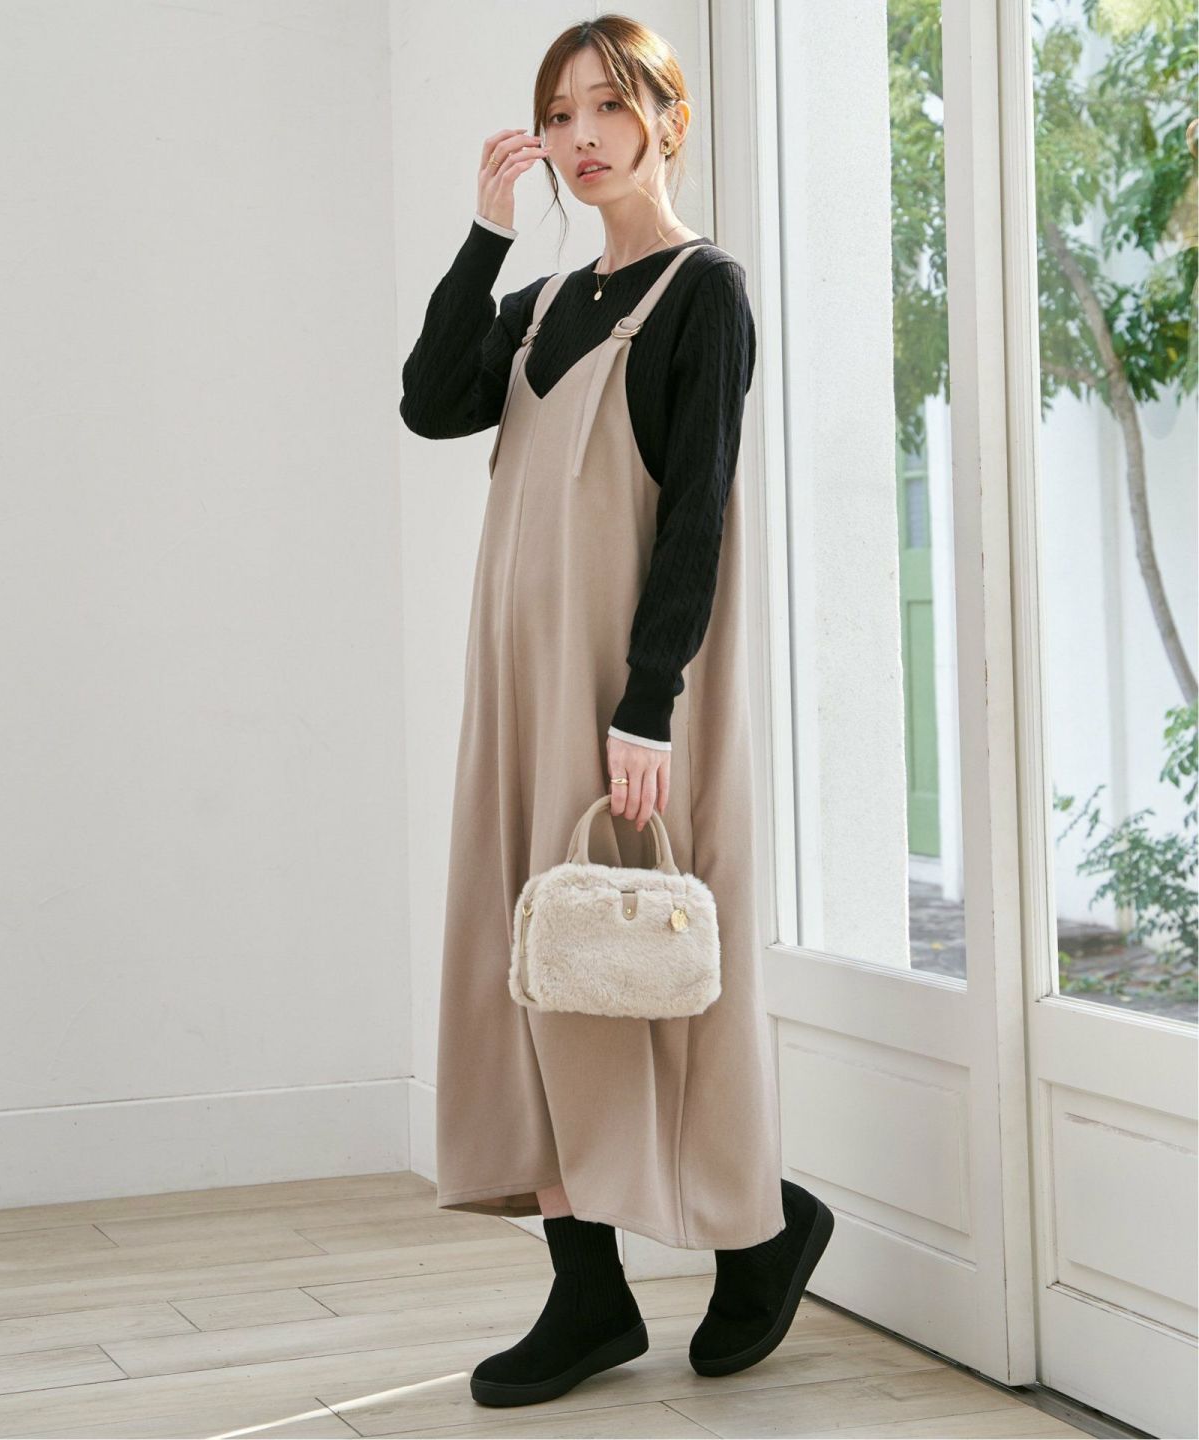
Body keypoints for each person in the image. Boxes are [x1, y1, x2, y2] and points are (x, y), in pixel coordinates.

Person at [399, 12, 833, 1410]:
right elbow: (428, 404)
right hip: (519, 694)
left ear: (667, 121)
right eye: (559, 114)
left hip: (628, 701)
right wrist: (484, 239)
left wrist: (648, 706)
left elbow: (697, 514)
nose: (581, 137)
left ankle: (759, 1233)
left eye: (607, 107)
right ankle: (588, 1291)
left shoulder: (706, 294)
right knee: (536, 966)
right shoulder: (537, 306)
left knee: (646, 969)